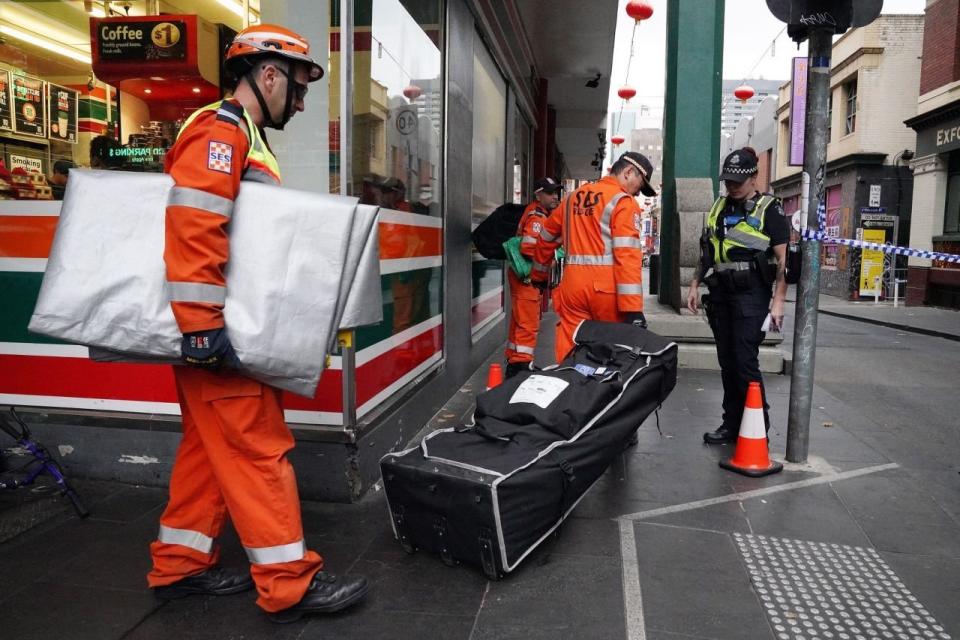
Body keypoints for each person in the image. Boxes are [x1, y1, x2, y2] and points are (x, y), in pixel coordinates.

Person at [146, 24, 368, 624]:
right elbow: (195, 224)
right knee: (256, 450)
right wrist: (199, 326)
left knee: (207, 450)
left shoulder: (238, 135)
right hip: (218, 328)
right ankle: (288, 583)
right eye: (295, 90)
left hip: (219, 324)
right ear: (265, 74)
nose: (298, 105)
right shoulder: (221, 132)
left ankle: (179, 566)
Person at [686, 147, 789, 445]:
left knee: (745, 361)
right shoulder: (720, 206)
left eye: (738, 181)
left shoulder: (770, 209)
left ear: (754, 177)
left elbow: (783, 261)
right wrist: (694, 283)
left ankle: (758, 430)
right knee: (728, 362)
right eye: (728, 180)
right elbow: (707, 250)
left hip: (751, 295)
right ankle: (731, 424)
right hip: (721, 293)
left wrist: (778, 303)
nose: (731, 186)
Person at [531, 152, 656, 362]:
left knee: (571, 343)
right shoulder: (623, 203)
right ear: (628, 172)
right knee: (608, 349)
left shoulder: (572, 198)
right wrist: (633, 309)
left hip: (572, 287)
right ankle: (600, 389)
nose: (637, 193)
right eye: (639, 185)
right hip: (606, 292)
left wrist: (539, 274)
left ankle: (569, 384)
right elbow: (627, 257)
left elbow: (545, 237)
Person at [504, 177, 562, 378]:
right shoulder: (537, 217)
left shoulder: (537, 213)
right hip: (528, 278)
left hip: (524, 277)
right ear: (538, 194)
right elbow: (529, 247)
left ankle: (514, 361)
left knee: (520, 321)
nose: (555, 196)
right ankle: (520, 367)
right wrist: (552, 255)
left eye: (556, 192)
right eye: (550, 192)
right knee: (528, 324)